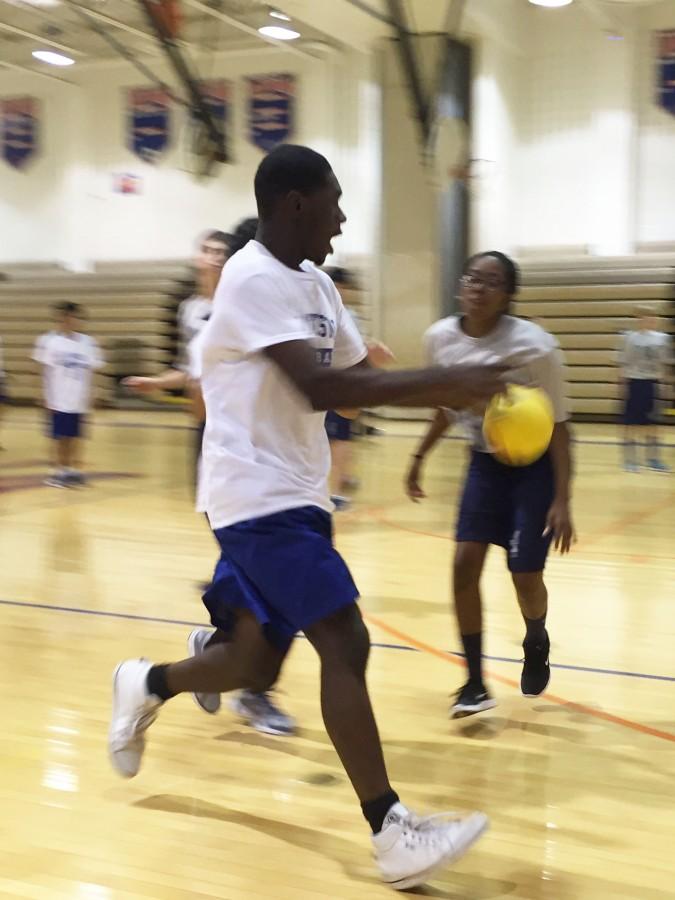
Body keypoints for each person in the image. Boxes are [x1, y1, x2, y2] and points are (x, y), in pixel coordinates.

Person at [108, 144, 506, 890]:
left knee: (254, 663)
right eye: (333, 201)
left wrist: (447, 394)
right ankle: (390, 832)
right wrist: (446, 375)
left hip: (299, 494)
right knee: (344, 638)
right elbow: (315, 388)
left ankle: (147, 682)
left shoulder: (316, 284)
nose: (343, 217)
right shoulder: (248, 277)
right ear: (294, 203)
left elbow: (354, 384)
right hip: (253, 497)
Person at [125, 219, 296, 738]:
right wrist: (164, 384)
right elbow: (197, 373)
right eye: (207, 249)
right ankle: (240, 677)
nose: (213, 256)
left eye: (221, 249)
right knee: (263, 574)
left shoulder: (258, 304)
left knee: (256, 571)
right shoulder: (207, 312)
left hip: (262, 454)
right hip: (227, 448)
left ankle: (220, 650)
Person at [405, 252, 575, 718]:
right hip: (484, 464)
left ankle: (536, 635)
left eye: (491, 282)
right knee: (463, 565)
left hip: (534, 469)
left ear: (507, 296)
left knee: (525, 575)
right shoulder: (440, 339)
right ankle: (475, 683)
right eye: (472, 278)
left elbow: (559, 425)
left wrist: (562, 499)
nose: (478, 288)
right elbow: (445, 404)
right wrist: (420, 456)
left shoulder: (536, 347)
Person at [323, 267, 394, 510]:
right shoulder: (323, 314)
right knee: (334, 439)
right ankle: (342, 480)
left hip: (342, 385)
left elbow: (355, 351)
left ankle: (338, 490)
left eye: (341, 287)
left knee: (340, 438)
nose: (339, 291)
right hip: (325, 384)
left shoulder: (346, 316)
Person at [31, 302, 104, 487]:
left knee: (76, 436)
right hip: (58, 397)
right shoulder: (49, 341)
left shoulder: (88, 343)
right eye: (66, 317)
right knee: (58, 437)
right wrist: (42, 394)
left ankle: (72, 470)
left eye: (75, 317)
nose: (71, 321)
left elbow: (94, 369)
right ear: (60, 319)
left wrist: (95, 392)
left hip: (79, 398)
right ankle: (57, 471)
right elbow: (41, 369)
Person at [618, 304, 671, 473]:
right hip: (635, 382)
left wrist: (665, 384)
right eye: (646, 317)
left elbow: (665, 364)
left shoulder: (662, 338)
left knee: (654, 423)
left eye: (653, 317)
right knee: (631, 424)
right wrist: (622, 385)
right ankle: (629, 459)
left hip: (652, 383)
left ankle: (653, 458)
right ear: (639, 320)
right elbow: (622, 363)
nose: (650, 320)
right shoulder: (629, 338)